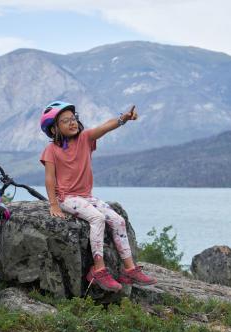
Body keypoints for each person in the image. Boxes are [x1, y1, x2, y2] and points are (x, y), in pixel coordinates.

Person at [39, 101, 157, 292]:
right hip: (67, 198)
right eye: (65, 121)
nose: (72, 123)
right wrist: (53, 204)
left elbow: (104, 128)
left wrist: (123, 119)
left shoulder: (85, 138)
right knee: (97, 218)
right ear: (53, 129)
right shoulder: (51, 150)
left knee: (118, 220)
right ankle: (98, 269)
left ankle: (129, 269)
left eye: (73, 118)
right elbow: (50, 179)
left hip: (86, 197)